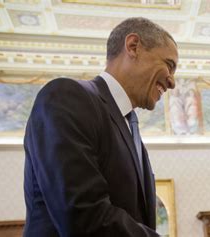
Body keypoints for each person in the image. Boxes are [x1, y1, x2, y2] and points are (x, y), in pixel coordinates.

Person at [23, 17, 177, 236]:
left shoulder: (132, 131)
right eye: (169, 65)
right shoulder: (67, 96)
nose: (172, 81)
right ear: (133, 46)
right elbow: (84, 215)